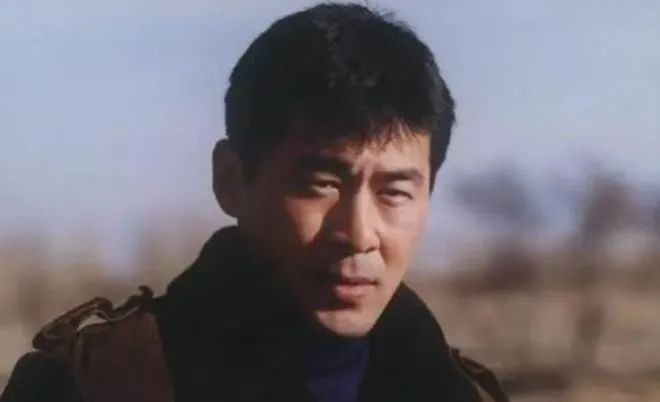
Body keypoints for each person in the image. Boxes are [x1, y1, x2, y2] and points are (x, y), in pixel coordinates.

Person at [1, 3, 508, 402]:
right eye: (321, 184)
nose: (358, 234)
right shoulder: (98, 384)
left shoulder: (455, 389)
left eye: (394, 192)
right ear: (231, 180)